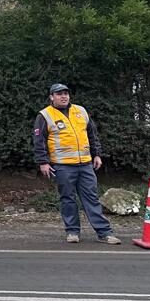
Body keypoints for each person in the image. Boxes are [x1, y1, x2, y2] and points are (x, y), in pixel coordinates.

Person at [33, 83, 120, 245]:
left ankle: (104, 233)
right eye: (59, 94)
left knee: (92, 198)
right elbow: (39, 141)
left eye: (66, 93)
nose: (63, 96)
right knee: (68, 199)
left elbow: (92, 134)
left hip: (85, 164)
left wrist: (97, 154)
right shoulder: (44, 115)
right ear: (51, 97)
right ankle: (72, 232)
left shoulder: (80, 111)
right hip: (62, 166)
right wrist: (43, 162)